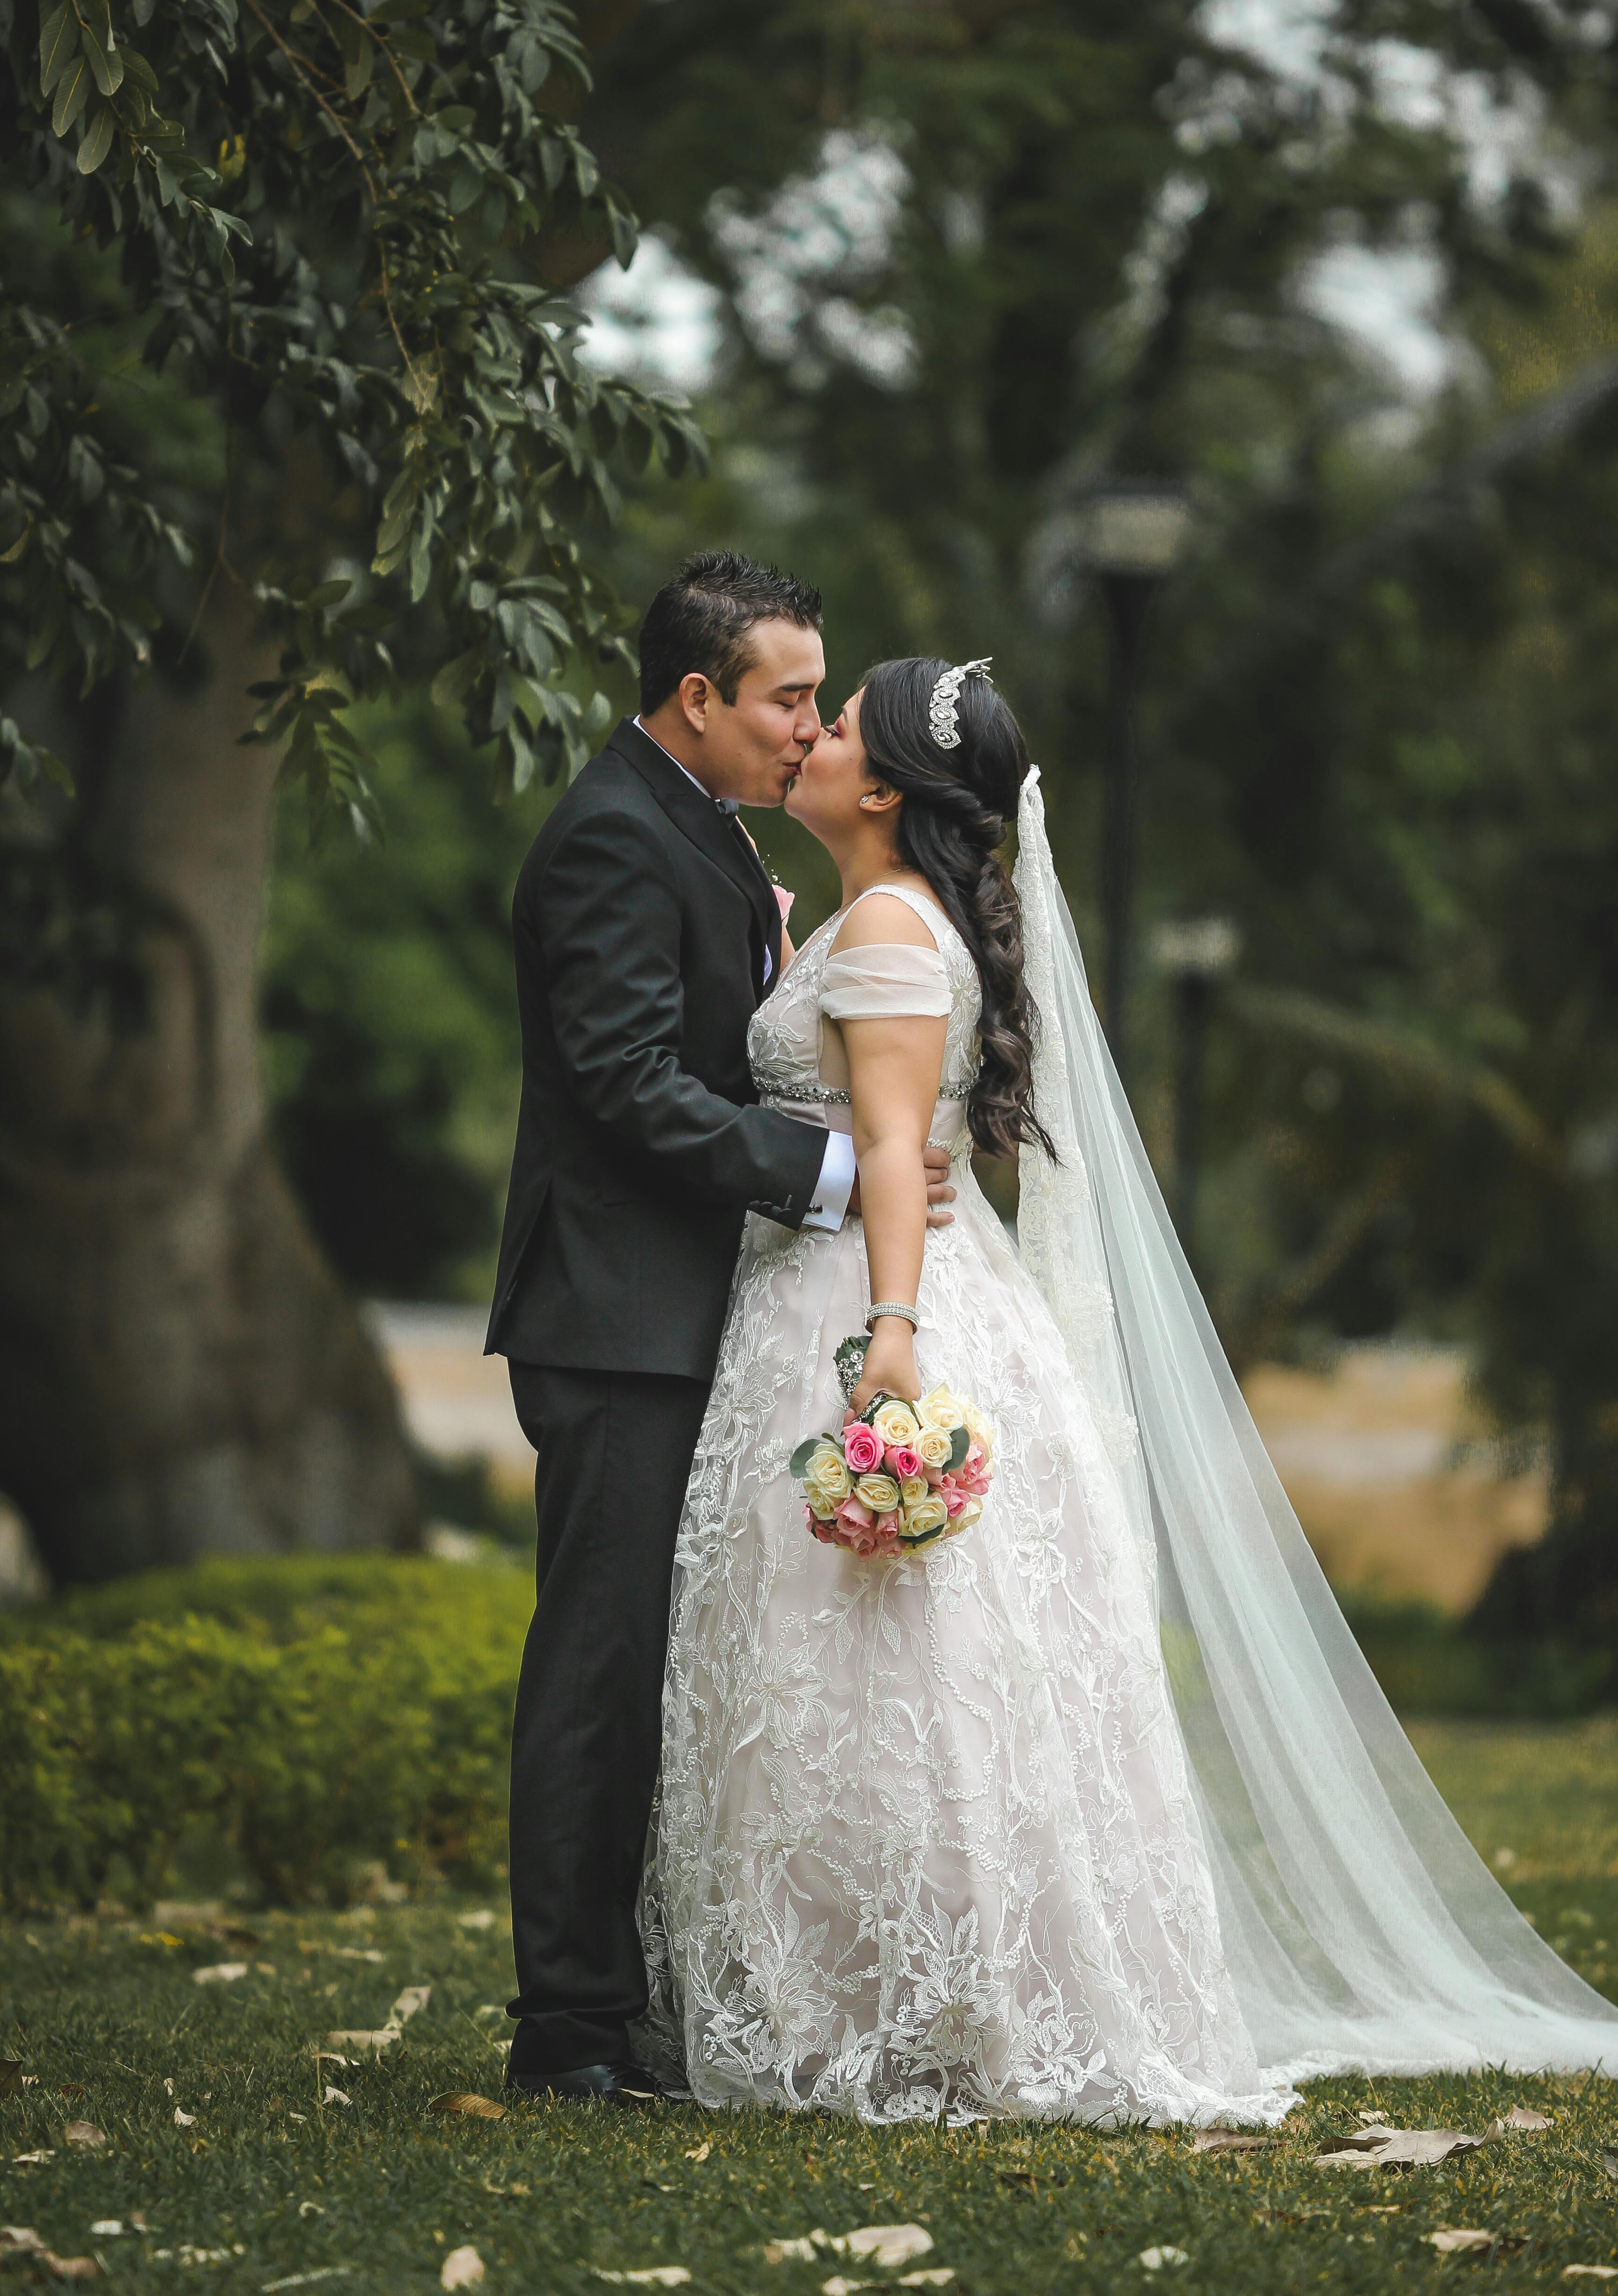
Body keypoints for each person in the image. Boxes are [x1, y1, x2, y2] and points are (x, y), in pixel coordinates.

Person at [635, 654, 1618, 2122]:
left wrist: (890, 1340)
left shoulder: (895, 925)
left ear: (889, 785)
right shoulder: (877, 916)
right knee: (874, 1670)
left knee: (878, 1658)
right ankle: (862, 1986)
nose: (812, 741)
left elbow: (898, 1149)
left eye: (835, 728)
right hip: (837, 1292)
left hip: (864, 1309)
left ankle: (890, 2004)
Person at [486, 555, 957, 2105]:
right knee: (602, 1670)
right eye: (787, 700)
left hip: (690, 1308)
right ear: (699, 698)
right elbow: (624, 1082)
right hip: (617, 1314)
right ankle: (566, 2030)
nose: (810, 730)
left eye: (820, 701)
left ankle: (644, 1998)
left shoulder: (696, 828)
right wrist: (834, 1168)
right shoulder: (616, 838)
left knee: (667, 1669)